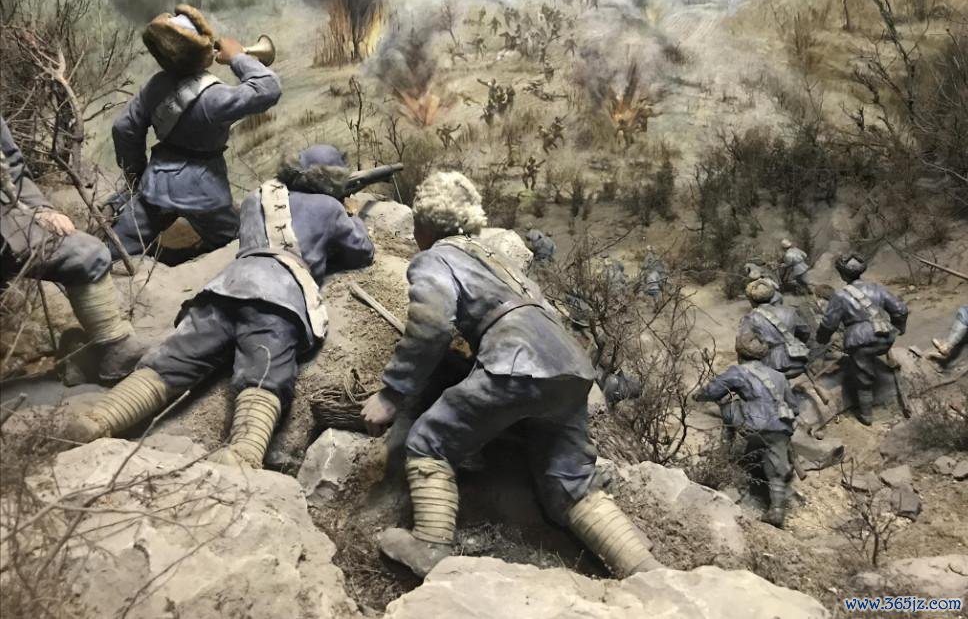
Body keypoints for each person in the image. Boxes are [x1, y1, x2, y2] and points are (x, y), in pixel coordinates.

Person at [360, 171, 661, 579]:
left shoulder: (435, 258)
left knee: (430, 440)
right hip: (570, 367)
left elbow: (431, 325)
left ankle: (429, 544)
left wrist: (393, 394)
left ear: (423, 226)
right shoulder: (495, 259)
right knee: (571, 479)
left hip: (516, 363)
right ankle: (644, 568)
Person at [62, 145, 374, 467]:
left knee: (172, 359)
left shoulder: (256, 197)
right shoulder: (328, 206)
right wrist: (348, 213)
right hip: (278, 295)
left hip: (226, 286)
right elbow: (361, 251)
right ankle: (244, 452)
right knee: (264, 372)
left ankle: (100, 418)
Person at [110, 4, 282, 262]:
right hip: (204, 192)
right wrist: (237, 57)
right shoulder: (216, 97)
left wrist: (137, 176)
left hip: (156, 184)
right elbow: (268, 88)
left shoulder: (156, 86)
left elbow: (123, 128)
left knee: (121, 244)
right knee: (234, 240)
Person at [1, 117, 145, 382]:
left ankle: (114, 350)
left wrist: (41, 209)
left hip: (6, 221)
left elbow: (12, 167)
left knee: (86, 252)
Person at [694, 332, 798, 528]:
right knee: (777, 466)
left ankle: (723, 454)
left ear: (739, 353)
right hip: (781, 427)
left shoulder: (738, 372)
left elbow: (712, 391)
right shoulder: (779, 376)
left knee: (727, 404)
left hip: (753, 426)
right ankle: (777, 510)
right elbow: (794, 407)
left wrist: (698, 396)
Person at [816, 252, 908, 425]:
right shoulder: (877, 288)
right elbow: (900, 309)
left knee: (863, 376)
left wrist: (822, 338)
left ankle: (866, 415)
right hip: (885, 337)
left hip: (860, 341)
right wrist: (899, 328)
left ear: (842, 274)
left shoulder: (840, 296)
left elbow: (829, 324)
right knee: (869, 356)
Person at [739, 279, 811, 379]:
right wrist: (793, 342)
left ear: (752, 299)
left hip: (771, 365)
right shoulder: (790, 311)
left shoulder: (751, 318)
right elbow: (805, 332)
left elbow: (744, 346)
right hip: (797, 360)